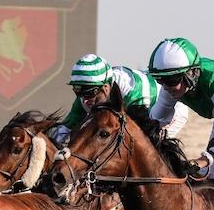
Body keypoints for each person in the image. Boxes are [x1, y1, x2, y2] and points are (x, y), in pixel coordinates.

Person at [147, 37, 214, 192]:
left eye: (172, 80)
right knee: (210, 175)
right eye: (160, 80)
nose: (166, 87)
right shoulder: (172, 87)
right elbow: (155, 119)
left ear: (191, 73)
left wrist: (203, 159)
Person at [52, 53, 188, 145]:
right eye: (79, 93)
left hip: (169, 110)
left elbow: (140, 135)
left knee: (148, 144)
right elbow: (63, 130)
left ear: (105, 88)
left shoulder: (132, 92)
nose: (85, 100)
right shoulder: (87, 95)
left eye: (89, 94)